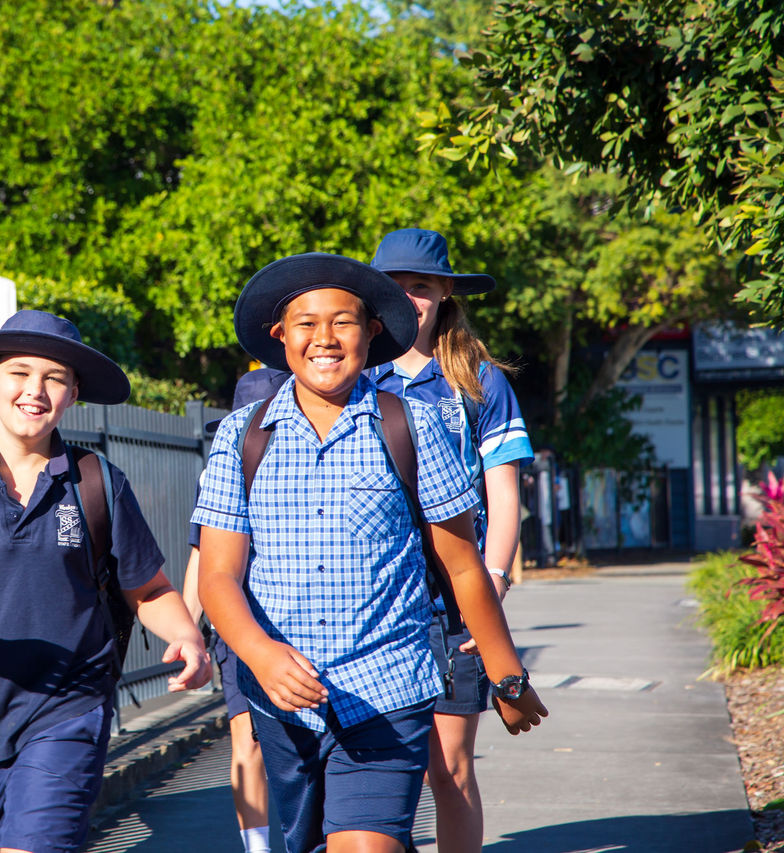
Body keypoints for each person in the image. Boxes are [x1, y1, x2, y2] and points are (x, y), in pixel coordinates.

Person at [194, 253, 547, 853]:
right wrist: (260, 655)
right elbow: (219, 574)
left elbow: (463, 566)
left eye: (343, 322)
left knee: (366, 844)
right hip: (284, 706)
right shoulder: (241, 437)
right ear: (280, 337)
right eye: (305, 324)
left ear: (372, 332)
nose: (324, 339)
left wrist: (506, 677)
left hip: (388, 691)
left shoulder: (413, 425)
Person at [0, 310, 211, 853]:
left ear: (74, 394)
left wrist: (186, 636)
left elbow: (149, 590)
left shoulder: (98, 483)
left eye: (54, 378)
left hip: (70, 705)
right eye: (20, 372)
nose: (35, 390)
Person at [365, 228, 534, 853]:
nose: (409, 298)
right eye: (396, 287)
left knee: (450, 766)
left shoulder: (481, 382)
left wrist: (492, 584)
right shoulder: (351, 376)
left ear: (445, 296)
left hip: (453, 598)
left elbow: (506, 494)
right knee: (382, 768)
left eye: (422, 287)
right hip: (374, 595)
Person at [182, 367, 290, 853]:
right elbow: (201, 558)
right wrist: (186, 633)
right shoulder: (226, 473)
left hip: (306, 621)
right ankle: (259, 846)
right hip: (238, 628)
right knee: (246, 737)